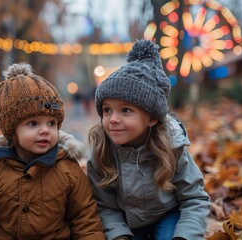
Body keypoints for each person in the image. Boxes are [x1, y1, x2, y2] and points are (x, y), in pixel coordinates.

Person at [0, 62, 105, 239]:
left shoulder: (69, 169)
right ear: (12, 130)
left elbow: (85, 218)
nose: (45, 130)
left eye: (51, 123)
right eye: (33, 123)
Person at [87, 39, 210, 240]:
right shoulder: (101, 151)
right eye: (107, 110)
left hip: (168, 214)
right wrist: (118, 235)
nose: (113, 119)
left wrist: (184, 236)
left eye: (126, 110)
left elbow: (194, 198)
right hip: (125, 220)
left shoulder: (172, 146)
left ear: (152, 118)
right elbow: (104, 206)